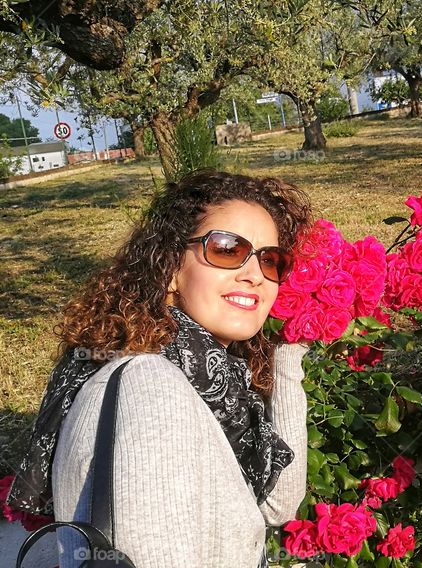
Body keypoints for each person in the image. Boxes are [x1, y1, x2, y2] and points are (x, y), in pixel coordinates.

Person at [6, 169, 315, 568]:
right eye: (226, 248)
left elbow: (276, 507)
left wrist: (289, 348)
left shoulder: (209, 378)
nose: (255, 275)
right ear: (170, 269)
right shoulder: (149, 388)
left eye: (271, 260)